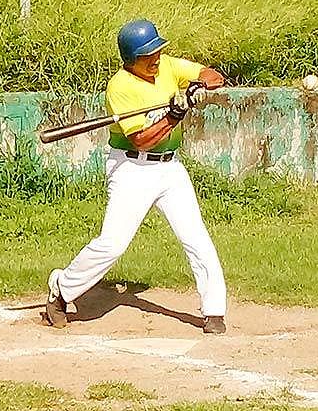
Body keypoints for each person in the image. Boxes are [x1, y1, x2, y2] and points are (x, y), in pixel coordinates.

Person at [45, 19, 228, 334]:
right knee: (113, 244)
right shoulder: (121, 87)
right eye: (148, 55)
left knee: (195, 236)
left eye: (157, 50)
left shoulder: (167, 65)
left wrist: (196, 87)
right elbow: (142, 140)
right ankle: (62, 289)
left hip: (170, 169)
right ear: (131, 60)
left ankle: (214, 311)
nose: (156, 58)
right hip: (132, 169)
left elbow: (213, 75)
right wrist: (175, 114)